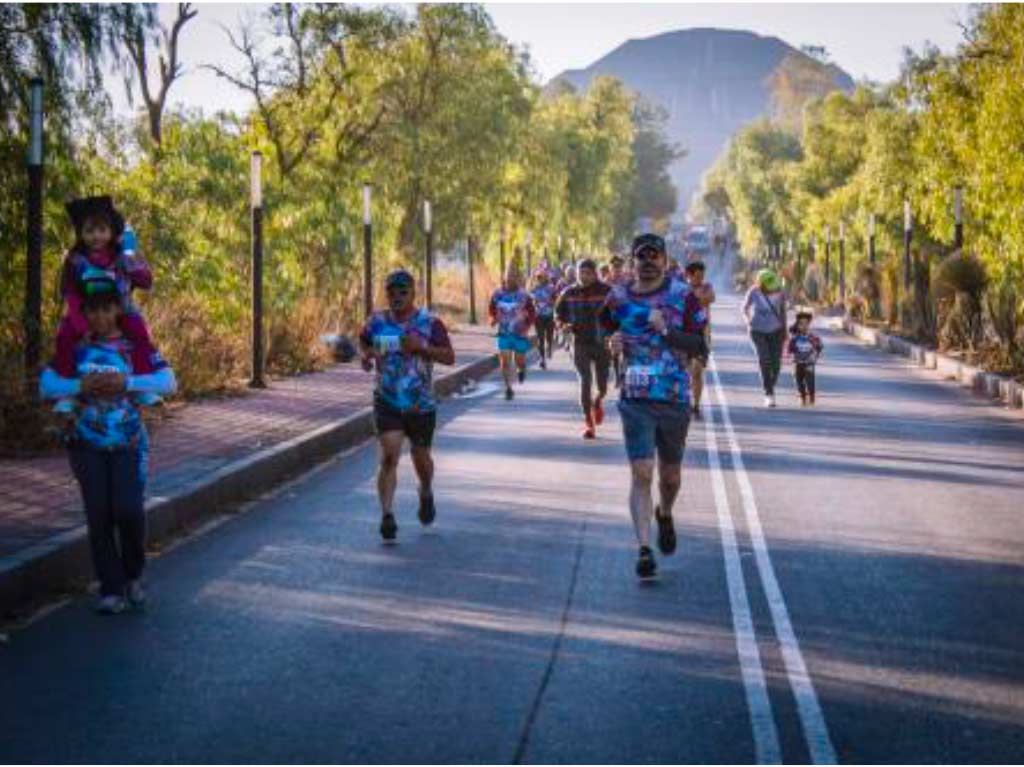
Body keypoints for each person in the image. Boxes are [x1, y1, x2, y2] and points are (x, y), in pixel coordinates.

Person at [39, 273, 177, 614]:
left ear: (118, 308)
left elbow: (168, 381)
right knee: (98, 514)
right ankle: (110, 588)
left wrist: (125, 381)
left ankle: (133, 574)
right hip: (85, 444)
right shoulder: (75, 350)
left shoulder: (135, 348)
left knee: (129, 510)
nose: (100, 317)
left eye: (106, 309)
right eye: (92, 311)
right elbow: (47, 385)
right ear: (83, 313)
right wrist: (80, 386)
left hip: (128, 443)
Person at [603, 234, 707, 579]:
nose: (647, 261)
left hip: (674, 397)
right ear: (632, 262)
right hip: (636, 398)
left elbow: (699, 346)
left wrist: (667, 332)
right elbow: (606, 329)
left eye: (654, 255)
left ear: (664, 259)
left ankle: (665, 513)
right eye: (640, 256)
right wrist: (612, 342)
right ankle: (644, 548)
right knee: (642, 472)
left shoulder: (683, 297)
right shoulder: (617, 297)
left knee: (671, 476)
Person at [359, 269, 455, 543]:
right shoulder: (376, 321)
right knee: (389, 456)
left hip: (420, 403)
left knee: (420, 457)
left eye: (403, 291)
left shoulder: (429, 323)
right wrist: (366, 356)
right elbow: (364, 342)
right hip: (387, 399)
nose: (397, 296)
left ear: (413, 293)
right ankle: (387, 515)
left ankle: (425, 490)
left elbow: (449, 357)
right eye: (392, 291)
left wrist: (421, 348)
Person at [55, 196, 154, 380]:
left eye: (102, 229)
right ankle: (67, 385)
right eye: (89, 230)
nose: (96, 236)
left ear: (111, 231)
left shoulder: (121, 256)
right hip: (85, 314)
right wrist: (81, 325)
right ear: (81, 233)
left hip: (120, 312)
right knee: (65, 335)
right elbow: (71, 294)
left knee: (139, 330)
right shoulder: (75, 260)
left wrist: (130, 254)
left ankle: (143, 381)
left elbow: (146, 282)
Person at [555, 258, 612, 439]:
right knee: (585, 380)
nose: (584, 277)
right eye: (581, 273)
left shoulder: (606, 292)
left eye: (588, 273)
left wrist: (614, 331)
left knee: (602, 385)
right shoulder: (568, 293)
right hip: (579, 343)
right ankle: (589, 422)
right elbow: (558, 314)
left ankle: (598, 400)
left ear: (595, 274)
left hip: (602, 343)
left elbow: (619, 313)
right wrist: (563, 325)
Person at [489, 264, 536, 400]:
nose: (510, 278)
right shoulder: (497, 294)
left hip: (520, 333)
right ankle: (508, 388)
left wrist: (527, 324)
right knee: (504, 361)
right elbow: (491, 310)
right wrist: (493, 319)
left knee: (519, 361)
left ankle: (521, 370)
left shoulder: (523, 295)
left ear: (517, 278)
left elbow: (532, 312)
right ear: (504, 276)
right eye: (508, 275)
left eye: (513, 275)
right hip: (503, 332)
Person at [742, 268, 788, 408]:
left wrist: (785, 330)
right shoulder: (753, 292)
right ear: (760, 284)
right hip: (757, 330)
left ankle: (770, 386)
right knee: (764, 359)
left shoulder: (780, 293)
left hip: (776, 331)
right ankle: (768, 393)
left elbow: (783, 312)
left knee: (776, 363)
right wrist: (747, 319)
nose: (772, 289)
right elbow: (744, 308)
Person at [684, 260, 716, 417]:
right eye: (697, 276)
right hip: (683, 334)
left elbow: (710, 297)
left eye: (702, 276)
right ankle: (685, 401)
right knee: (685, 371)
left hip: (701, 334)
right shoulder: (681, 289)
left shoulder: (707, 287)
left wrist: (692, 297)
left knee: (697, 371)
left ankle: (695, 405)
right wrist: (696, 297)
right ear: (688, 275)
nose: (700, 279)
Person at [787, 310, 824, 405]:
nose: (804, 326)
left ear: (809, 325)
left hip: (809, 362)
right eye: (801, 324)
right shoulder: (794, 337)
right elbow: (789, 349)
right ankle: (802, 396)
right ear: (797, 325)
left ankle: (811, 395)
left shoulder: (812, 337)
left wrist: (816, 355)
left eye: (806, 324)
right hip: (797, 362)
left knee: (810, 381)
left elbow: (819, 346)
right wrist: (790, 354)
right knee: (798, 380)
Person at [529, 269, 557, 369]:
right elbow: (530, 299)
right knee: (540, 339)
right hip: (538, 316)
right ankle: (542, 359)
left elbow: (556, 300)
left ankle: (549, 347)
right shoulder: (534, 288)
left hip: (549, 315)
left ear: (546, 278)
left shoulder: (551, 288)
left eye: (541, 277)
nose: (539, 279)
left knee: (549, 337)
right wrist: (534, 303)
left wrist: (552, 303)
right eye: (538, 277)